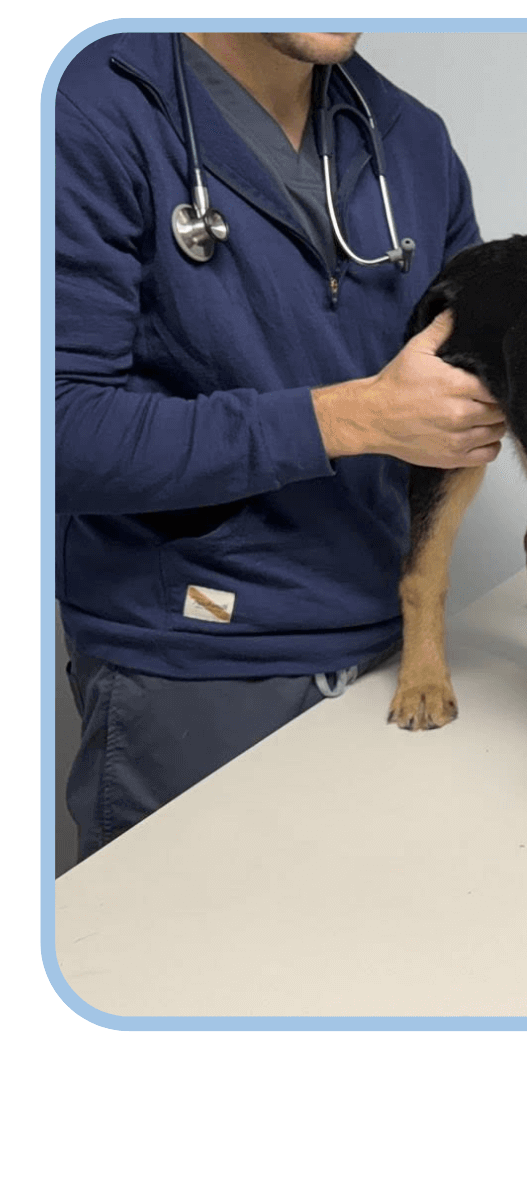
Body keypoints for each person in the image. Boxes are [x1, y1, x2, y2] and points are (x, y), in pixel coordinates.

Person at [55, 32, 503, 862]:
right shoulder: (91, 105)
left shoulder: (414, 142)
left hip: (394, 664)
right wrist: (351, 419)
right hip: (193, 667)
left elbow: (473, 377)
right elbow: (65, 430)